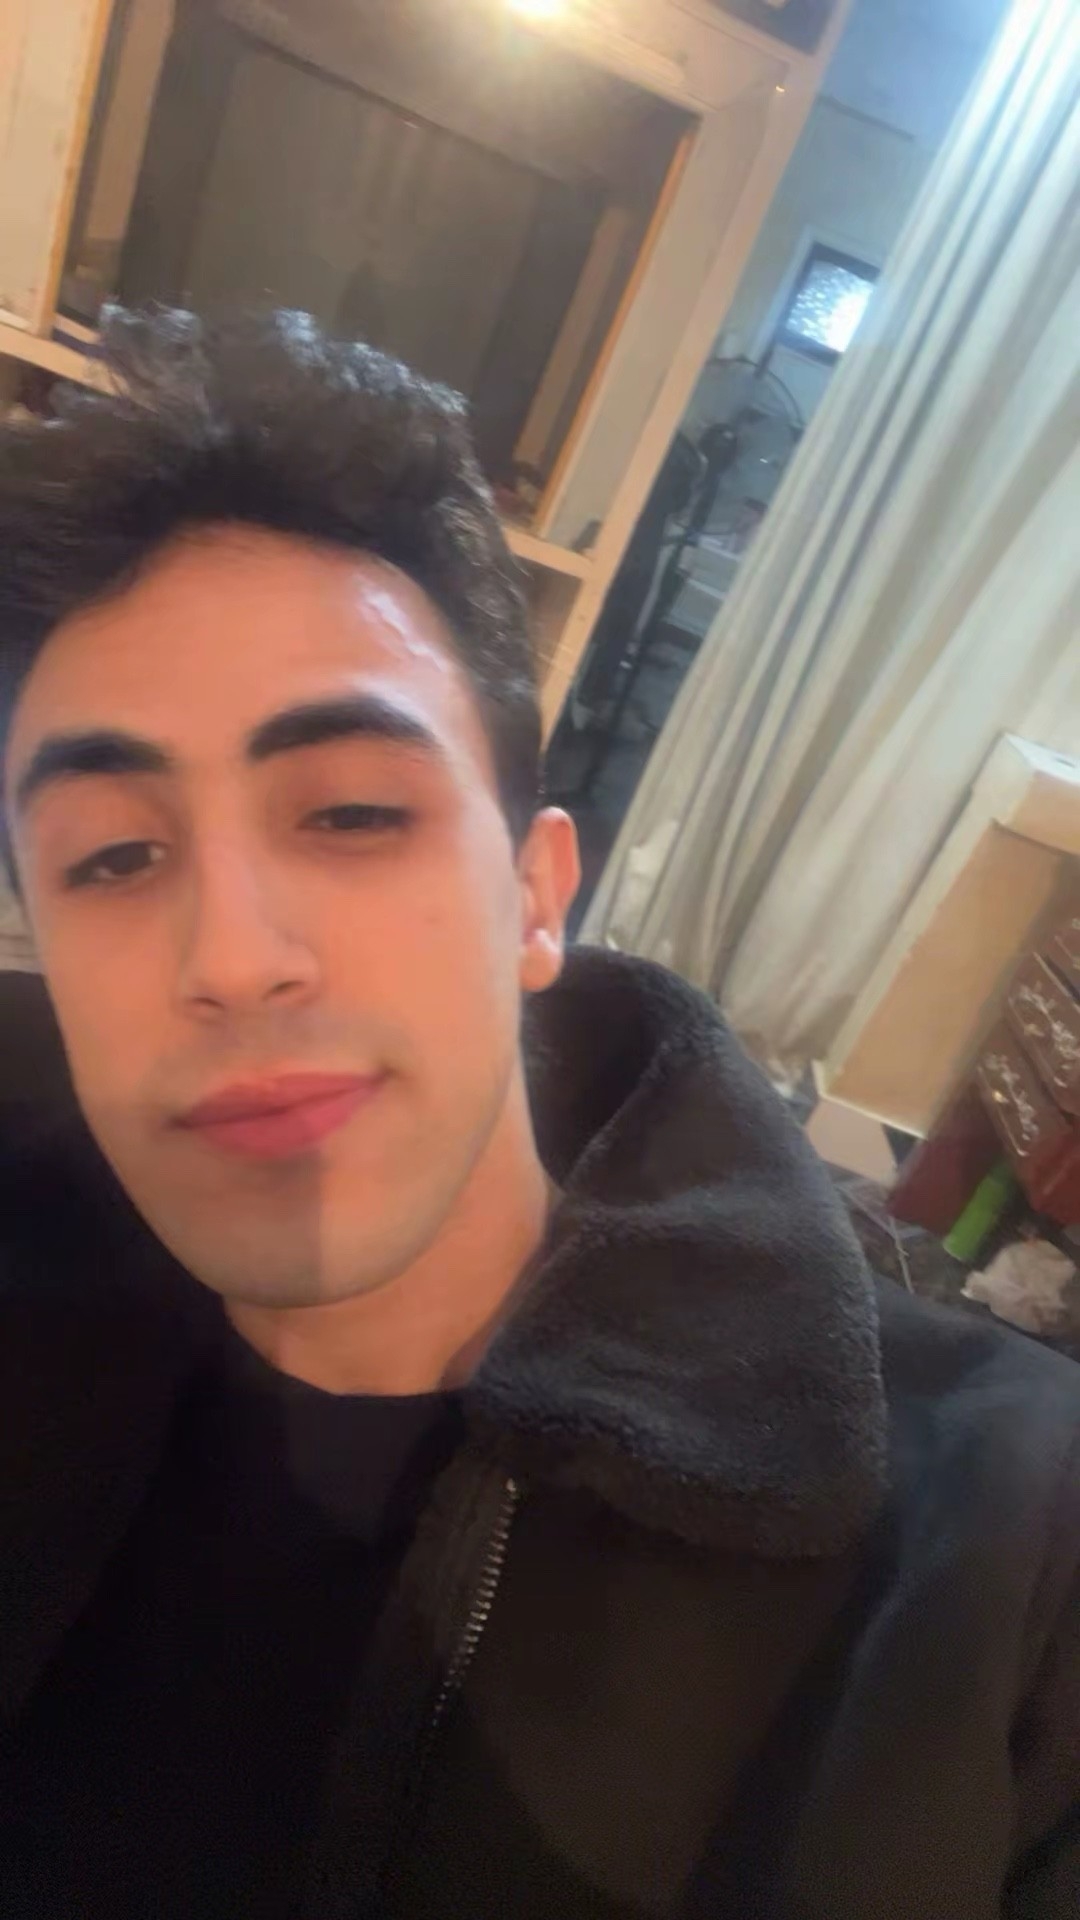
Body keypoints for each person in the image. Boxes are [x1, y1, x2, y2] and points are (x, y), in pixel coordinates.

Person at [0, 307, 1076, 1920]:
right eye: (112, 856)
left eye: (350, 814)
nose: (230, 958)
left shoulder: (1008, 1550)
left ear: (535, 895)